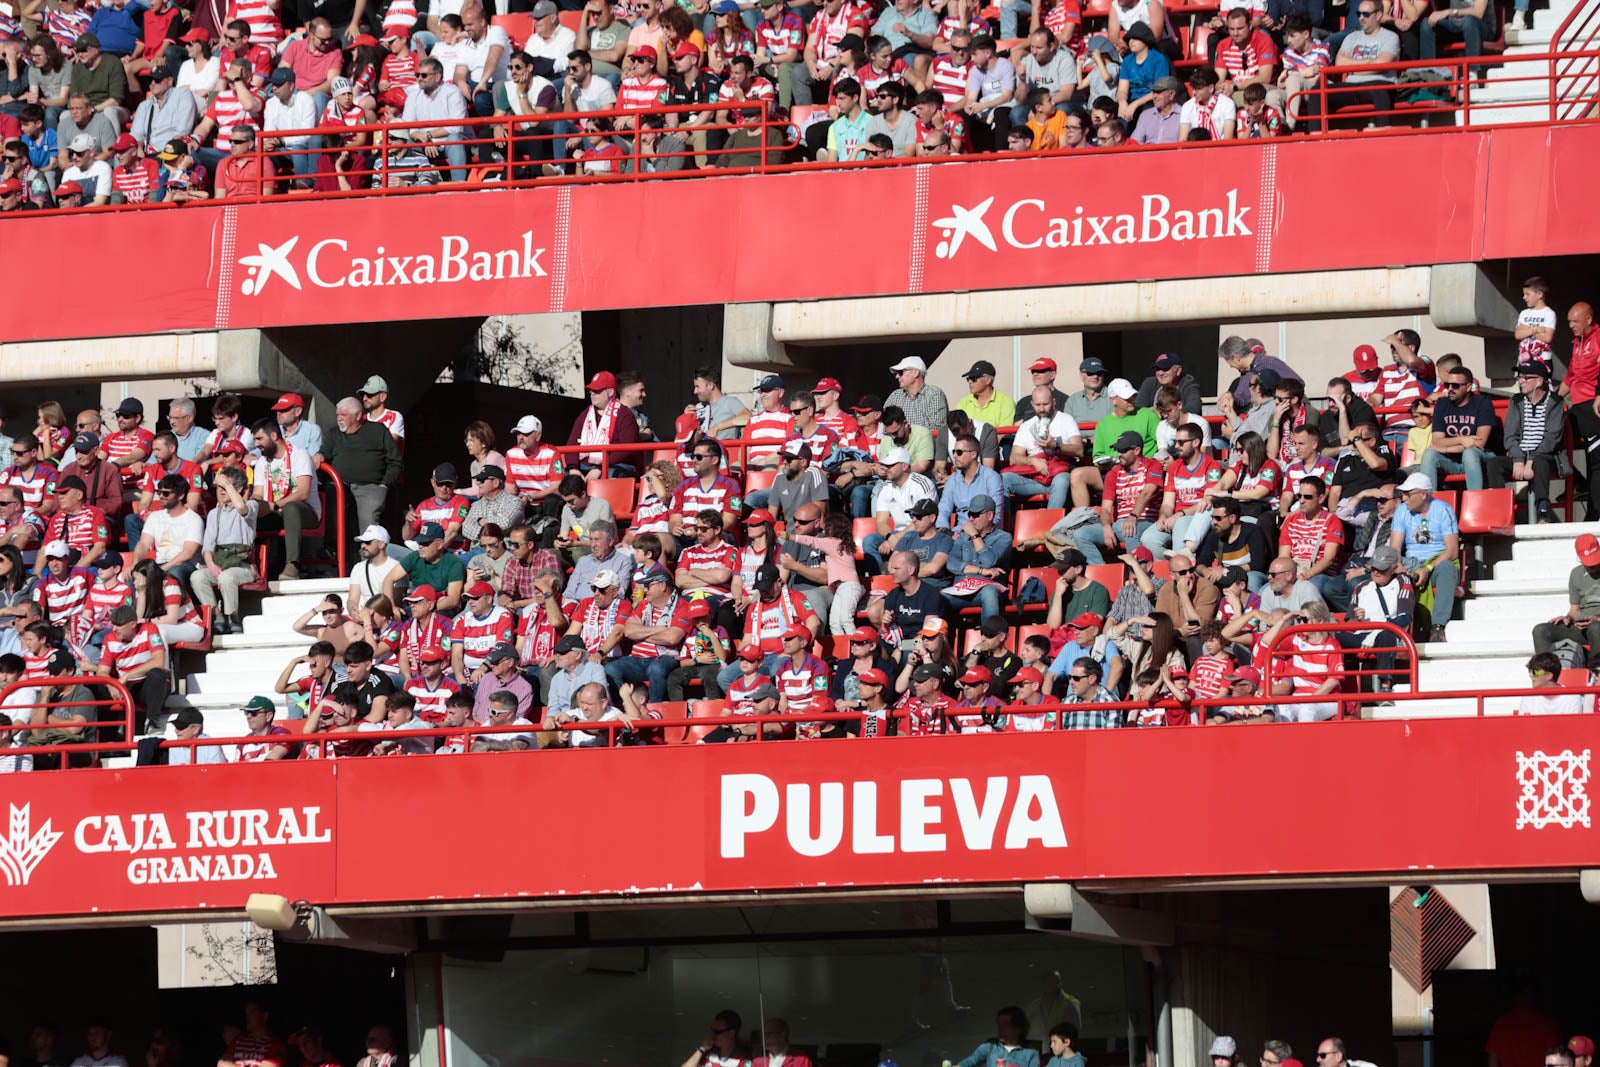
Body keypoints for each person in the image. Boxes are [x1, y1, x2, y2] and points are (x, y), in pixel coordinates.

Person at [1388, 472, 1458, 644]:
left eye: (1408, 494)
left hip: (1437, 561)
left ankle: (1437, 627)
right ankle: (1396, 631)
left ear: (1423, 494)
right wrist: (1399, 565)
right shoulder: (1402, 511)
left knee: (1447, 568)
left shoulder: (1443, 509)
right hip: (1411, 562)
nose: (1403, 499)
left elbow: (1452, 551)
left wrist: (1428, 568)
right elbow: (1395, 547)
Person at [318, 395, 402, 535]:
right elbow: (323, 454)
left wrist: (385, 483)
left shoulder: (378, 430)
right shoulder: (334, 433)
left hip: (370, 485)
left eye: (343, 415)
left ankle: (369, 555)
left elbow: (395, 461)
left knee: (369, 526)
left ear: (358, 416)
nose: (339, 418)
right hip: (340, 485)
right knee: (331, 507)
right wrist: (318, 456)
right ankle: (332, 551)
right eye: (337, 414)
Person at [1076, 431, 1162, 564]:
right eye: (1117, 450)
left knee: (1129, 530)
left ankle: (1138, 575)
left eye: (1123, 450)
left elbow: (1147, 493)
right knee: (1081, 534)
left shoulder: (1152, 465)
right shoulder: (1114, 473)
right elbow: (1105, 508)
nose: (1118, 454)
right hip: (1120, 524)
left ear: (1137, 450)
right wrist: (1106, 527)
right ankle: (1102, 574)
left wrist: (1133, 517)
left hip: (1146, 521)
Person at [191, 466, 258, 635]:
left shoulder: (251, 505)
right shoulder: (215, 513)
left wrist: (226, 483)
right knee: (197, 577)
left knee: (227, 577)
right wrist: (211, 565)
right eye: (219, 487)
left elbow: (242, 509)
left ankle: (232, 616)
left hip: (242, 564)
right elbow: (207, 546)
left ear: (239, 488)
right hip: (220, 562)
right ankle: (216, 614)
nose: (221, 491)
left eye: (225, 487)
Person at [1420, 365, 1499, 491]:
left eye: (1455, 386)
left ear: (1468, 387)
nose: (1450, 389)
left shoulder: (1483, 403)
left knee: (1470, 453)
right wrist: (1462, 440)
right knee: (1429, 455)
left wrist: (1446, 448)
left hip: (1483, 458)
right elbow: (1437, 441)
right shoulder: (1441, 405)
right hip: (1453, 460)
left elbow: (1479, 443)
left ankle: (1475, 501)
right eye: (1447, 385)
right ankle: (1428, 506)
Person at [1532, 533, 1600, 665]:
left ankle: (1596, 675)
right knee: (1540, 630)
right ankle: (1546, 675)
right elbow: (1575, 610)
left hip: (1597, 626)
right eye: (1588, 562)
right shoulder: (1576, 574)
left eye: (1595, 561)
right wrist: (1567, 618)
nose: (1592, 566)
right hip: (1582, 627)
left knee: (1595, 628)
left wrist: (1596, 619)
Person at [885, 355, 950, 432]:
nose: (897, 376)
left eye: (900, 372)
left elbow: (937, 430)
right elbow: (885, 424)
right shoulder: (895, 396)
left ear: (915, 373)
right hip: (897, 443)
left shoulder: (934, 394)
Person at [1516, 652, 1585, 715]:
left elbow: (1573, 727)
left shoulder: (1572, 698)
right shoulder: (1528, 698)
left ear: (1548, 675)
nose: (1531, 675)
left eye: (1535, 672)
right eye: (1530, 671)